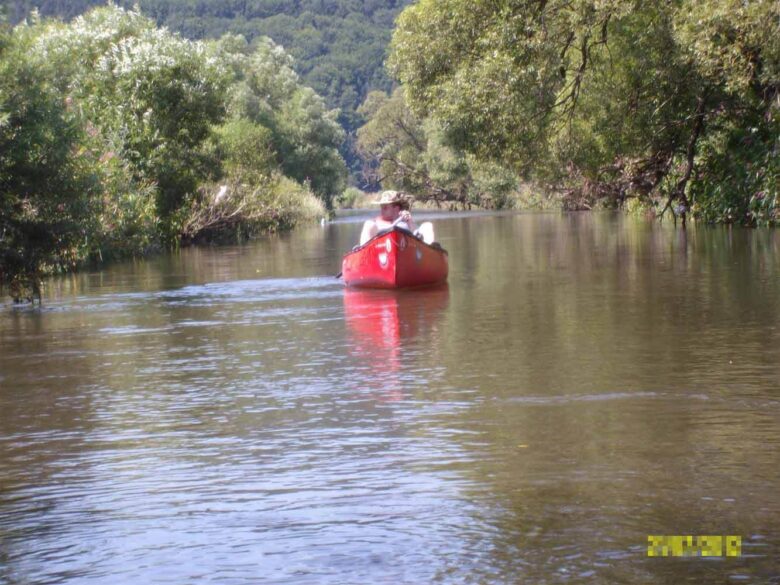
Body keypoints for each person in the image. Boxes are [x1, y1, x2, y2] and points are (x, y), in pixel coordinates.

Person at [358, 190, 435, 246]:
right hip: (379, 251)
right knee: (368, 224)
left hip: (411, 250)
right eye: (381, 207)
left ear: (396, 208)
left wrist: (409, 221)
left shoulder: (407, 221)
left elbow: (419, 238)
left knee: (427, 225)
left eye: (385, 207)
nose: (382, 210)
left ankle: (432, 256)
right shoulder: (375, 224)